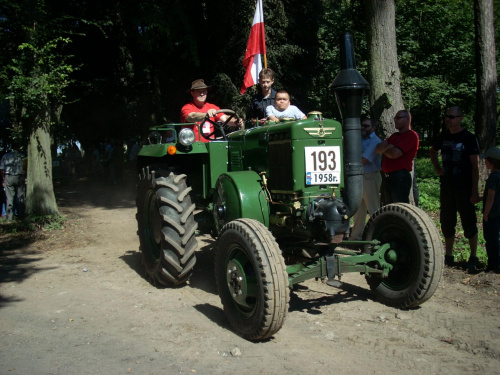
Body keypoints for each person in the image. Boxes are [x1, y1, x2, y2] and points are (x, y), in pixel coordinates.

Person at [429, 106, 480, 272]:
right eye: (446, 116)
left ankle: (473, 256)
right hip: (447, 187)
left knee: (469, 222)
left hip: (464, 188)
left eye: (451, 116)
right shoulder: (443, 136)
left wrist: (474, 191)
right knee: (447, 221)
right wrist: (438, 169)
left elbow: (475, 167)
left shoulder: (469, 138)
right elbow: (432, 151)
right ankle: (449, 255)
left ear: (460, 118)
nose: (447, 119)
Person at [375, 110, 419, 204]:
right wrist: (389, 147)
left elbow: (394, 154)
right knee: (389, 209)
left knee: (399, 209)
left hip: (400, 178)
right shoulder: (394, 136)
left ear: (407, 119)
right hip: (388, 177)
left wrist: (386, 149)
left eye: (398, 118)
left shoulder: (411, 135)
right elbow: (378, 148)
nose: (395, 120)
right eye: (395, 118)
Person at [350, 117, 382, 240]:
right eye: (362, 126)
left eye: (366, 126)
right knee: (357, 209)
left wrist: (351, 158)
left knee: (373, 209)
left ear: (373, 128)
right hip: (358, 178)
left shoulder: (375, 141)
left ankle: (376, 237)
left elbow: (365, 159)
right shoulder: (359, 139)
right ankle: (356, 237)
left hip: (370, 177)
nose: (363, 128)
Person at [482, 147, 500, 274]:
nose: (484, 162)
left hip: (492, 214)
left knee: (491, 239)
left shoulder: (493, 177)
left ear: (492, 162)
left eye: (486, 160)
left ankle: (493, 264)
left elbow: (491, 197)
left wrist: (486, 214)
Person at [0, 142, 26, 221]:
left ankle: (9, 217)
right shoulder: (22, 156)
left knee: (9, 198)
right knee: (21, 197)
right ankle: (22, 215)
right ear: (18, 147)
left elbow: (2, 169)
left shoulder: (6, 156)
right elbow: (26, 168)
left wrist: (4, 179)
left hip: (9, 176)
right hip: (20, 176)